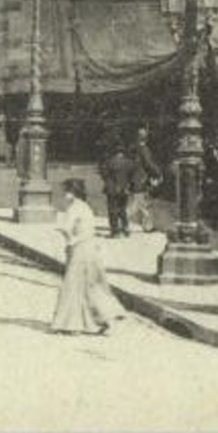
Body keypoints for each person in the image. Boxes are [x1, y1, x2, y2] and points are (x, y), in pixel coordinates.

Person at [50, 178, 122, 335]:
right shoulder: (86, 207)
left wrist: (68, 240)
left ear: (73, 193)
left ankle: (71, 323)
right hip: (91, 248)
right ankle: (104, 317)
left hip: (79, 248)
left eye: (67, 191)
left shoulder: (73, 208)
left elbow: (65, 228)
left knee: (73, 285)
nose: (64, 195)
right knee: (91, 285)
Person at [99, 141, 137, 237]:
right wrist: (130, 187)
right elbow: (132, 178)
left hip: (112, 189)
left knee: (112, 210)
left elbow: (104, 175)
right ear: (123, 152)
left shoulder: (109, 162)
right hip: (124, 189)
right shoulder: (130, 163)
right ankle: (125, 228)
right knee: (122, 209)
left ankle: (115, 231)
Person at [130, 126, 163, 234]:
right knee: (137, 204)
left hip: (135, 178)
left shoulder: (133, 148)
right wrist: (158, 173)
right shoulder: (144, 149)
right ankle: (121, 223)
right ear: (145, 138)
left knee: (142, 204)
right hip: (140, 179)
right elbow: (148, 164)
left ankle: (148, 226)